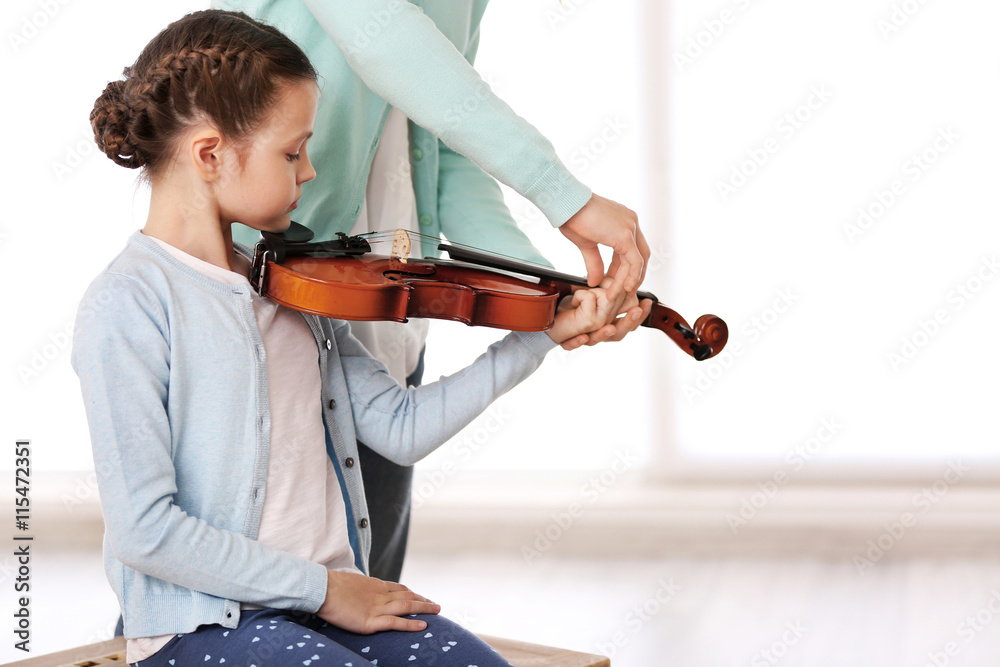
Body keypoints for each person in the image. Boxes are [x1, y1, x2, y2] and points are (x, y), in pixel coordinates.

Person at [74, 10, 647, 666]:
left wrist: (542, 333)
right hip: (208, 627)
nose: (312, 172)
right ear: (210, 154)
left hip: (325, 608)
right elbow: (146, 530)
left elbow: (399, 428)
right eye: (293, 152)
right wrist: (323, 591)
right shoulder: (127, 306)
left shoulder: (293, 290)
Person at [210, 0, 653, 583]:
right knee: (222, 589)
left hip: (381, 305)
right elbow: (387, 42)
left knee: (372, 586)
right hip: (265, 295)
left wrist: (546, 290)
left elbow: (445, 139)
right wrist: (564, 193)